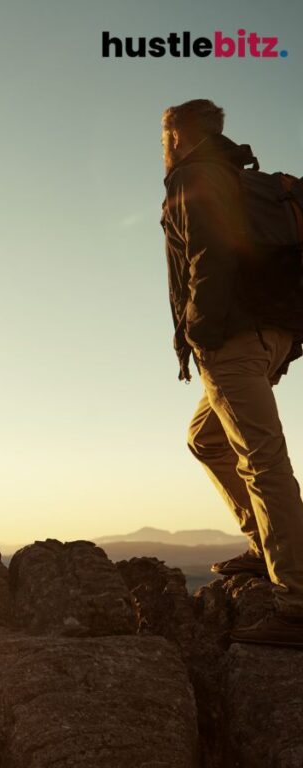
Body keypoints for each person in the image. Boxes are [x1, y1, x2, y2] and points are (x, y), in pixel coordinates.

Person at [161, 98, 303, 647]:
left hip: (232, 340)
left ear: (177, 135)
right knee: (206, 438)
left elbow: (209, 255)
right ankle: (265, 544)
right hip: (270, 334)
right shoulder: (246, 181)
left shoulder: (192, 176)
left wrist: (200, 334)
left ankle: (298, 600)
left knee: (263, 459)